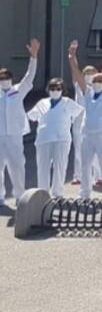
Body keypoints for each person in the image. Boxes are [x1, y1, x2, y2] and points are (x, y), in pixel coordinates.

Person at [68, 39, 102, 200]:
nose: (96, 82)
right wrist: (72, 57)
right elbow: (78, 76)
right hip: (88, 134)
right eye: (94, 81)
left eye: (99, 81)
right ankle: (84, 193)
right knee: (85, 165)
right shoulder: (88, 93)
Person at [28, 76, 82, 198]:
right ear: (48, 90)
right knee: (43, 168)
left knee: (60, 166)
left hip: (62, 139)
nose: (55, 91)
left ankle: (58, 194)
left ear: (62, 89)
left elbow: (80, 113)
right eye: (52, 88)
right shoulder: (42, 103)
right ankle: (42, 194)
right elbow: (31, 116)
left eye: (58, 88)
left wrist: (75, 125)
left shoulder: (68, 102)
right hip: (43, 139)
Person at [0, 39, 38, 202]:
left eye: (7, 77)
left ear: (11, 78)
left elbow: (29, 77)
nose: (4, 79)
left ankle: (19, 195)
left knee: (17, 166)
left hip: (14, 135)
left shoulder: (17, 90)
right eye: (1, 77)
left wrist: (34, 57)